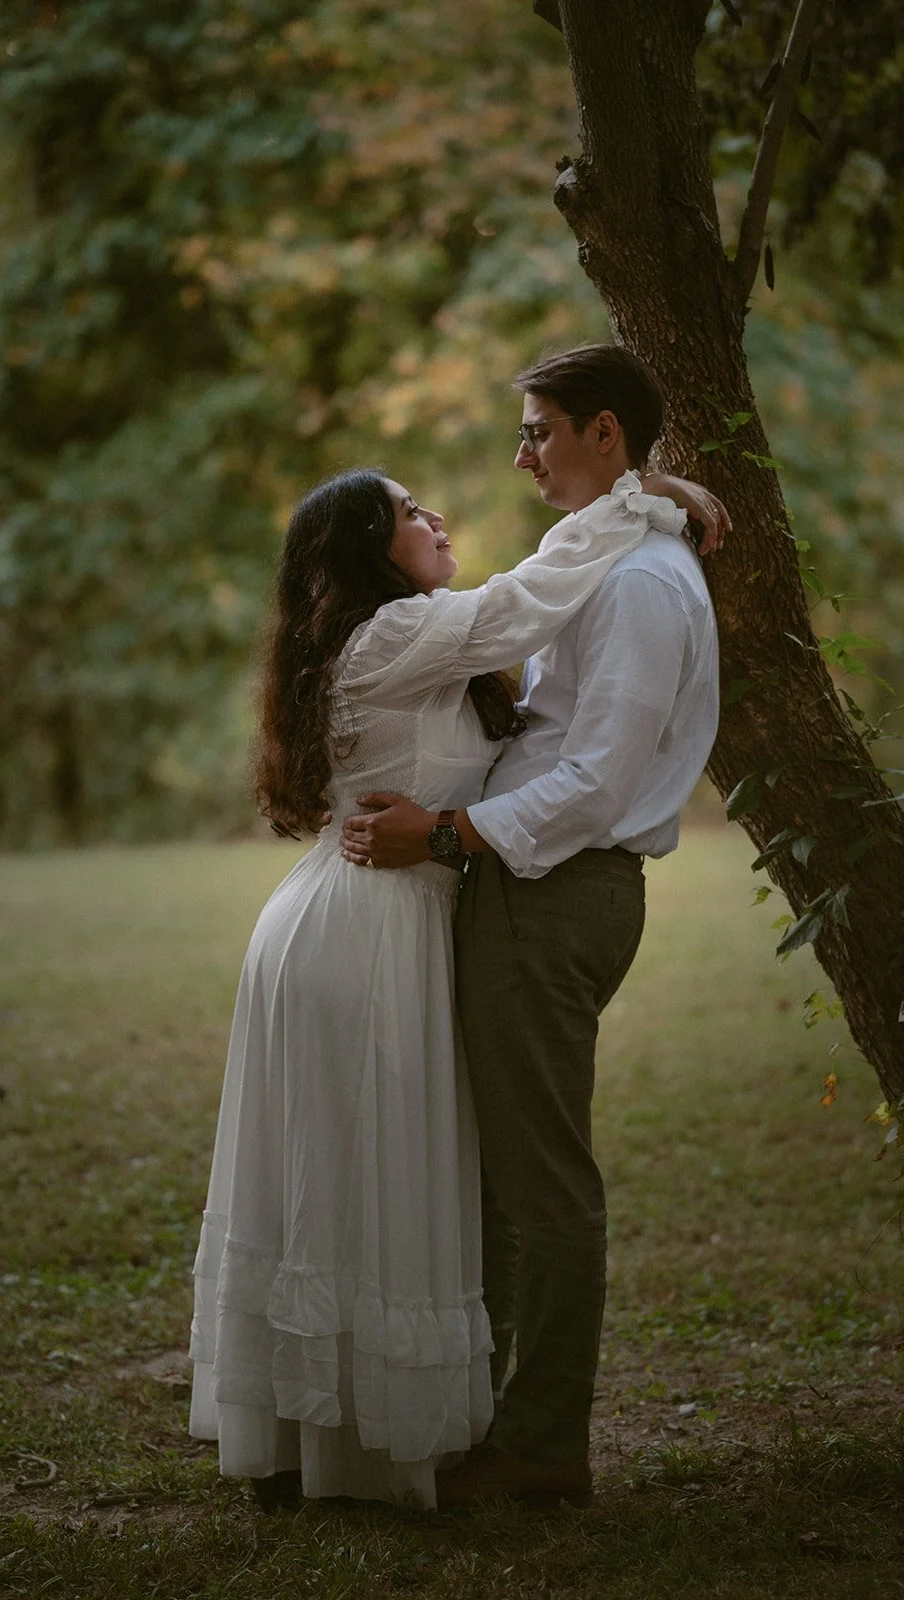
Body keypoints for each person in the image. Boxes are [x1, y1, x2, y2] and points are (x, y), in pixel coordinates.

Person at [187, 449, 716, 1511]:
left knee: (353, 1180)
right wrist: (643, 497)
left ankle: (326, 1438)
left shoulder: (396, 640)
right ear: (363, 554)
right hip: (368, 931)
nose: (433, 517)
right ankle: (341, 1445)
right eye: (406, 511)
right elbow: (528, 599)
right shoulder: (390, 634)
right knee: (363, 1178)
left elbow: (511, 615)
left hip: (369, 916)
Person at [340, 344, 724, 1509]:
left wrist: (446, 834)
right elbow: (526, 608)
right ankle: (484, 1416)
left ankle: (544, 1444)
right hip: (530, 883)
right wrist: (664, 492)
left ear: (605, 433)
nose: (521, 456)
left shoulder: (649, 587)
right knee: (505, 1176)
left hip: (559, 890)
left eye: (541, 430)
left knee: (541, 1182)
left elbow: (600, 782)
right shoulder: (606, 562)